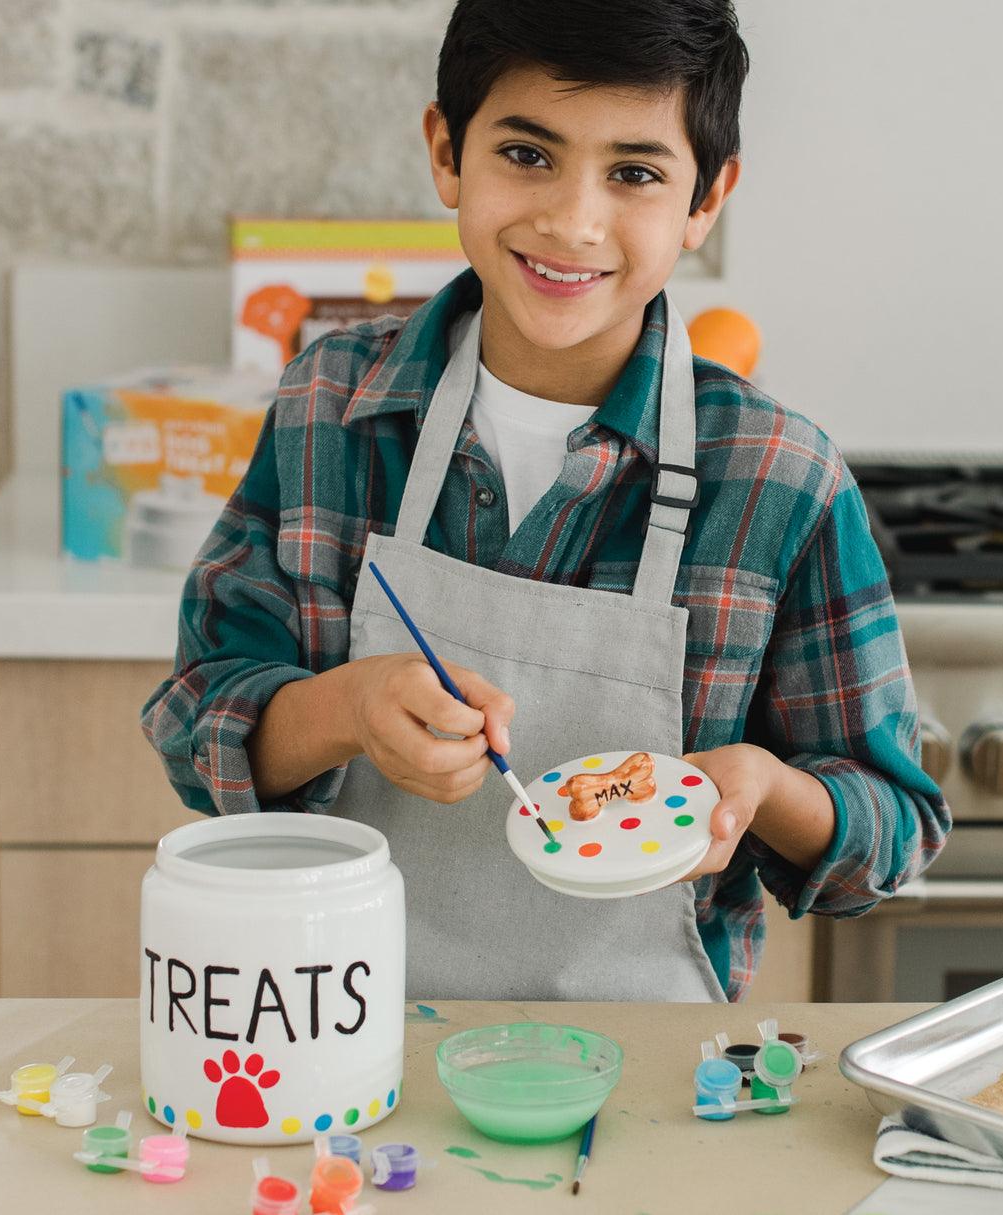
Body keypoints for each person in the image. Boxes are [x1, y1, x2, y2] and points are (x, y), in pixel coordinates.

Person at [143, 0, 950, 1003]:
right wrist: (346, 710)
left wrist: (765, 788)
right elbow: (196, 721)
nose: (572, 220)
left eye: (635, 173)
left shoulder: (779, 477)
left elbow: (893, 833)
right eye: (527, 154)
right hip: (345, 1037)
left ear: (706, 199)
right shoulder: (330, 407)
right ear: (447, 151)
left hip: (648, 1087)